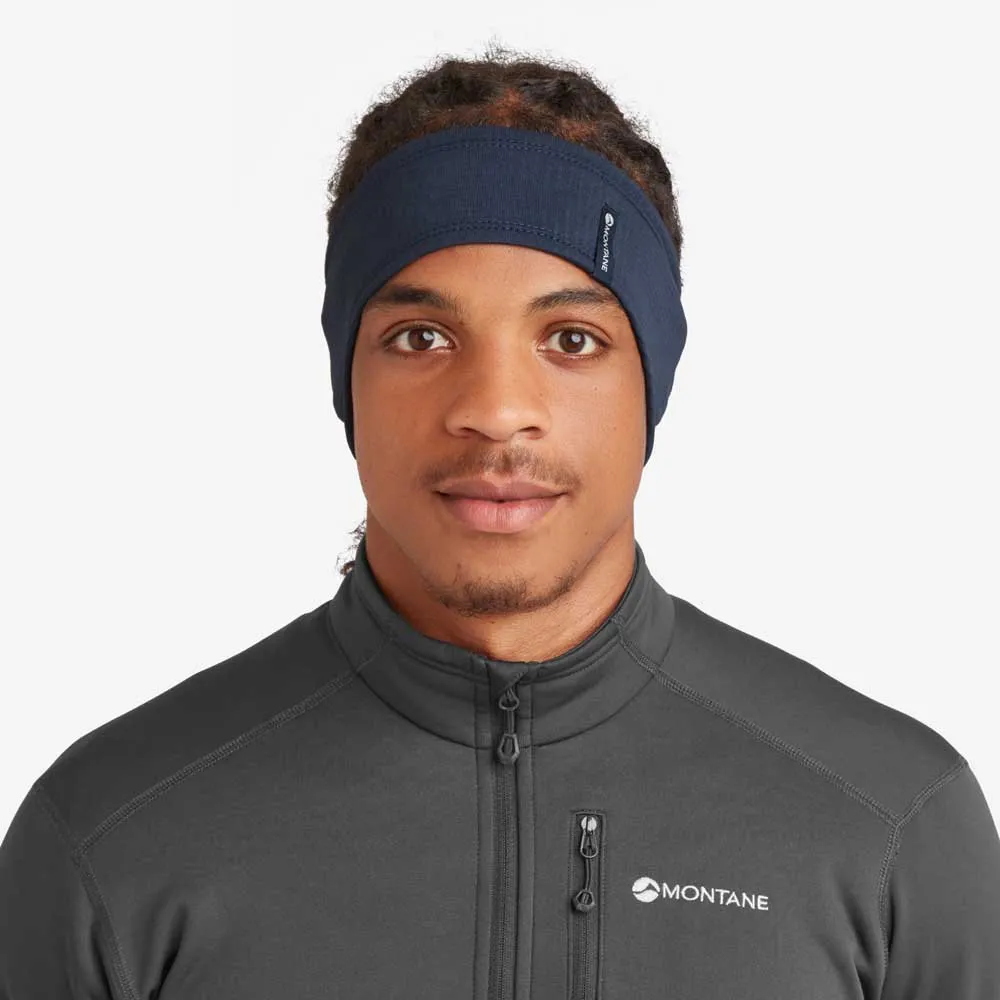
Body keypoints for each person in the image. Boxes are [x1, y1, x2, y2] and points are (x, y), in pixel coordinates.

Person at [2, 43, 998, 1000]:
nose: (495, 408)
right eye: (420, 336)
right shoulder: (109, 838)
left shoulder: (891, 827)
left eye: (571, 339)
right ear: (347, 380)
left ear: (650, 384)